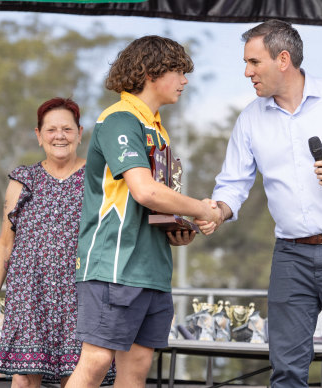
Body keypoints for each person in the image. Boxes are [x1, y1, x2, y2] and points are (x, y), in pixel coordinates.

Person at [201, 20, 322, 387]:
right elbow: (232, 185)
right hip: (290, 257)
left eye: (254, 62)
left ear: (283, 59)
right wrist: (217, 212)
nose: (247, 73)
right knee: (286, 371)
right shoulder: (249, 120)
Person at [66, 36, 220, 388]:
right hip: (114, 265)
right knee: (97, 360)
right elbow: (145, 190)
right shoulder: (119, 119)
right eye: (179, 72)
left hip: (151, 269)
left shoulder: (157, 127)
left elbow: (156, 203)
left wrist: (177, 228)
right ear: (152, 72)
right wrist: (201, 210)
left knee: (136, 367)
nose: (184, 81)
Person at [0, 98, 115, 387]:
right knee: (25, 381)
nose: (60, 136)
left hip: (80, 294)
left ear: (80, 134)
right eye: (51, 129)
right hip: (29, 295)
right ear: (39, 135)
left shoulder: (98, 178)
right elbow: (5, 244)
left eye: (67, 129)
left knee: (76, 378)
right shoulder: (23, 180)